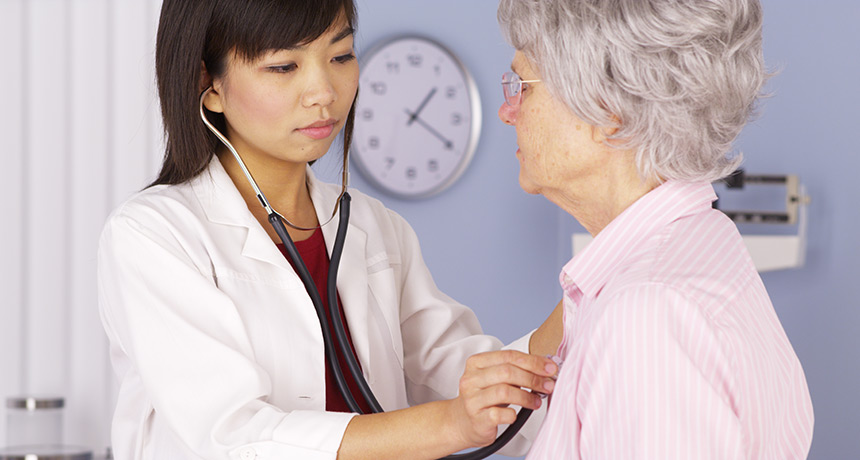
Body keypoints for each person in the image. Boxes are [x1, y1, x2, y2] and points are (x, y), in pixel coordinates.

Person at [97, 1, 563, 459]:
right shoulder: (153, 236)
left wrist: (593, 283)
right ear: (209, 84)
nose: (323, 91)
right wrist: (451, 424)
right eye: (283, 67)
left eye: (340, 56)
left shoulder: (374, 227)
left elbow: (481, 388)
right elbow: (235, 440)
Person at [495, 0, 814, 458]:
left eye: (523, 86)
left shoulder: (646, 318)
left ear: (607, 112)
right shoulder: (703, 241)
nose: (509, 111)